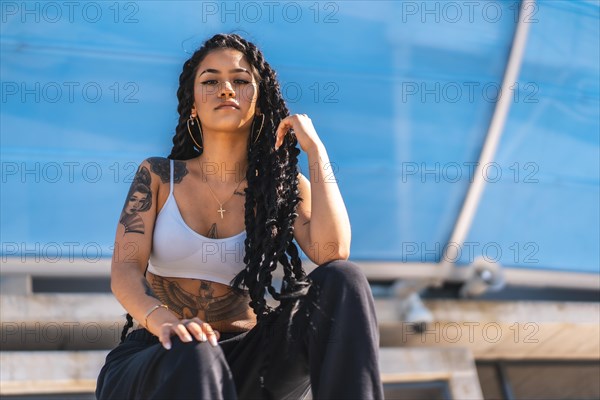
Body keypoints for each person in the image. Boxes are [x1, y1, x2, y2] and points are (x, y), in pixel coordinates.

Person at [95, 33, 384, 400]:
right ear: (193, 106)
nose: (226, 89)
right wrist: (164, 321)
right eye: (211, 81)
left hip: (248, 360)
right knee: (194, 348)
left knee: (345, 279)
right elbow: (125, 271)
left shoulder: (280, 184)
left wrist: (316, 152)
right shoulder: (157, 176)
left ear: (259, 104)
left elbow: (332, 251)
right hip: (158, 354)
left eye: (241, 81)